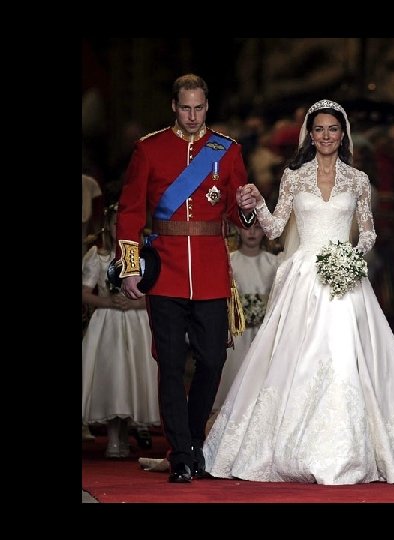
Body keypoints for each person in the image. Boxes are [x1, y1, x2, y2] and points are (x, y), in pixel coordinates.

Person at [204, 99, 394, 485]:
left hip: (344, 277)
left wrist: (351, 257)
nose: (325, 136)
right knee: (296, 359)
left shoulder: (357, 179)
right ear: (310, 134)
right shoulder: (293, 177)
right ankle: (293, 447)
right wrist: (254, 206)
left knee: (344, 356)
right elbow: (274, 229)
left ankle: (347, 450)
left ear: (343, 134)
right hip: (304, 278)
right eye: (319, 129)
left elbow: (368, 230)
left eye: (332, 129)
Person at [115, 73, 256, 483]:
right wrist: (129, 266)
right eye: (185, 108)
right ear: (174, 108)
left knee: (213, 359)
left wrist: (245, 208)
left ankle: (195, 440)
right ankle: (181, 454)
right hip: (166, 273)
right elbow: (129, 212)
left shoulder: (227, 150)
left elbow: (235, 209)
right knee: (172, 363)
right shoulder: (149, 149)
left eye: (199, 107)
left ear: (207, 106)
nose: (192, 116)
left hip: (211, 272)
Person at [82, 204, 161, 457]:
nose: (121, 230)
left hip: (136, 323)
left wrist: (136, 302)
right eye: (117, 225)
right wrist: (108, 301)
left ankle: (126, 434)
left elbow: (155, 292)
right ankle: (113, 437)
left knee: (131, 375)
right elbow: (85, 292)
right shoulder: (100, 256)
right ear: (109, 227)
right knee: (113, 374)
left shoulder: (146, 257)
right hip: (109, 323)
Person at [212, 221, 279, 411]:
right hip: (237, 330)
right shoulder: (230, 260)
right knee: (234, 374)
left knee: (259, 377)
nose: (252, 232)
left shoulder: (273, 262)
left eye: (257, 228)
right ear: (238, 229)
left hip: (263, 332)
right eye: (247, 227)